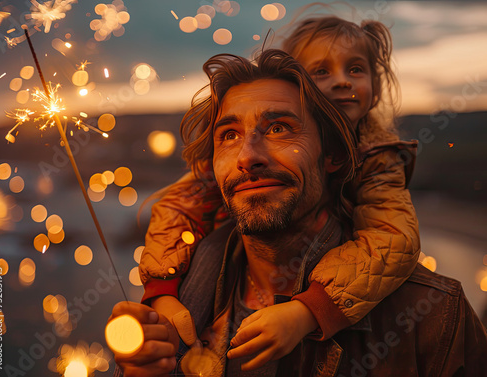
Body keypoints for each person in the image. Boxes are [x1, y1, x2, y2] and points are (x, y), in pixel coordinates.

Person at [110, 49, 487, 376]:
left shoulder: (435, 316)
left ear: (333, 157)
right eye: (228, 135)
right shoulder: (176, 302)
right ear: (212, 166)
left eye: (278, 128)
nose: (248, 157)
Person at [139, 15, 420, 363]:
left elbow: (392, 240)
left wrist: (309, 311)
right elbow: (176, 210)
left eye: (356, 69)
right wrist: (161, 292)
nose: (341, 82)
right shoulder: (226, 198)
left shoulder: (380, 159)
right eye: (321, 72)